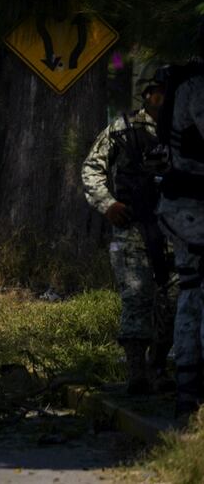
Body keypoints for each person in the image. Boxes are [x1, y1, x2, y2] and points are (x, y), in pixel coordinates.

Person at [81, 64, 175, 395]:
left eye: (166, 90)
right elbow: (92, 168)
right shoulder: (122, 129)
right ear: (147, 94)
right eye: (156, 91)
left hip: (178, 230)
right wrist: (107, 203)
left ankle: (159, 367)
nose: (161, 97)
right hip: (133, 227)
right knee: (137, 298)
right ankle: (137, 372)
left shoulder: (185, 127)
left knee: (173, 300)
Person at [156, 55, 204, 417]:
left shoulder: (186, 82)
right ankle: (191, 389)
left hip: (185, 206)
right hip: (194, 208)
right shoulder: (197, 86)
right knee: (194, 291)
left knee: (190, 290)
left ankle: (188, 387)